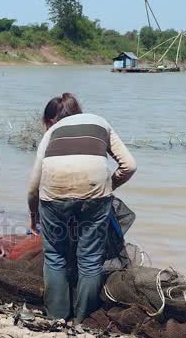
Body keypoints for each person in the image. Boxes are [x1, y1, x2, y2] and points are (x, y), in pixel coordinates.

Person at [27, 93, 137, 323]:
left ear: (50, 120)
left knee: (55, 256)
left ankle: (57, 317)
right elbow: (129, 165)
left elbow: (33, 187)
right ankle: (82, 320)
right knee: (89, 258)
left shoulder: (51, 132)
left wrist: (33, 215)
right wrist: (107, 187)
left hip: (53, 195)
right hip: (95, 194)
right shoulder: (100, 121)